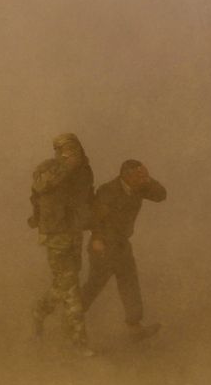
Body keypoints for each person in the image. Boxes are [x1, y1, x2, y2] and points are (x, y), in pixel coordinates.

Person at [81, 160, 167, 343]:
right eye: (139, 176)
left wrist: (148, 180)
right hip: (104, 245)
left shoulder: (140, 187)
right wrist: (97, 239)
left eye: (145, 175)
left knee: (129, 285)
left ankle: (134, 327)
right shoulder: (108, 191)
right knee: (94, 286)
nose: (143, 179)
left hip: (122, 245)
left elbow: (161, 195)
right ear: (126, 176)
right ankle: (72, 317)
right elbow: (96, 218)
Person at [29, 133, 95, 355]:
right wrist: (67, 167)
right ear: (57, 151)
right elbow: (40, 187)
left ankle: (39, 311)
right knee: (71, 287)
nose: (70, 152)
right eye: (65, 149)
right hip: (56, 234)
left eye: (74, 148)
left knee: (64, 284)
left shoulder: (85, 171)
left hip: (75, 232)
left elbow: (88, 199)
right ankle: (78, 341)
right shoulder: (48, 168)